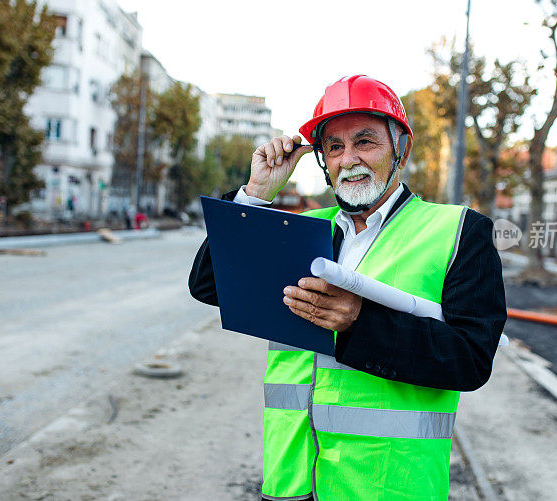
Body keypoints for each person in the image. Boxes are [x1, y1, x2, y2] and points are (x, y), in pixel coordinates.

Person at [188, 75, 506, 500]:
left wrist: (360, 322)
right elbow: (209, 284)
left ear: (401, 150)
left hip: (389, 487)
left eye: (365, 141)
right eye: (334, 147)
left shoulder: (456, 232)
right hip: (292, 483)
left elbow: (471, 359)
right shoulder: (300, 230)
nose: (348, 159)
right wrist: (256, 194)